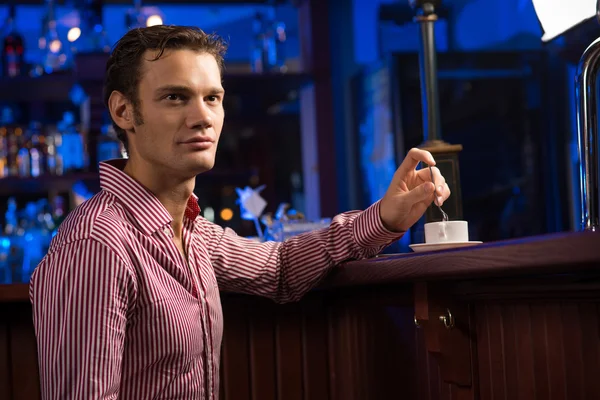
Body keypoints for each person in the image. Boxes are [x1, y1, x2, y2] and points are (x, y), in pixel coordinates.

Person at [29, 25, 450, 399]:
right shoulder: (96, 245)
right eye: (175, 98)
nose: (202, 117)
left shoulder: (192, 232)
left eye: (212, 98)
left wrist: (386, 217)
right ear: (123, 111)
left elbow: (280, 266)